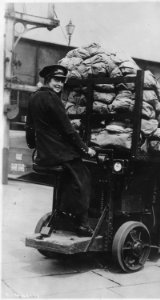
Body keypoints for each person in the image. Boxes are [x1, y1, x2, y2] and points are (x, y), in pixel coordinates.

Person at [25, 64, 96, 237]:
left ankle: (64, 215)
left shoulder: (34, 97)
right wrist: (86, 149)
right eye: (56, 80)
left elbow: (29, 127)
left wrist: (34, 146)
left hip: (44, 156)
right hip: (59, 154)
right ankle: (83, 225)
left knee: (68, 180)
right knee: (84, 177)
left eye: (62, 81)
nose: (60, 84)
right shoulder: (52, 99)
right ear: (48, 80)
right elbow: (68, 130)